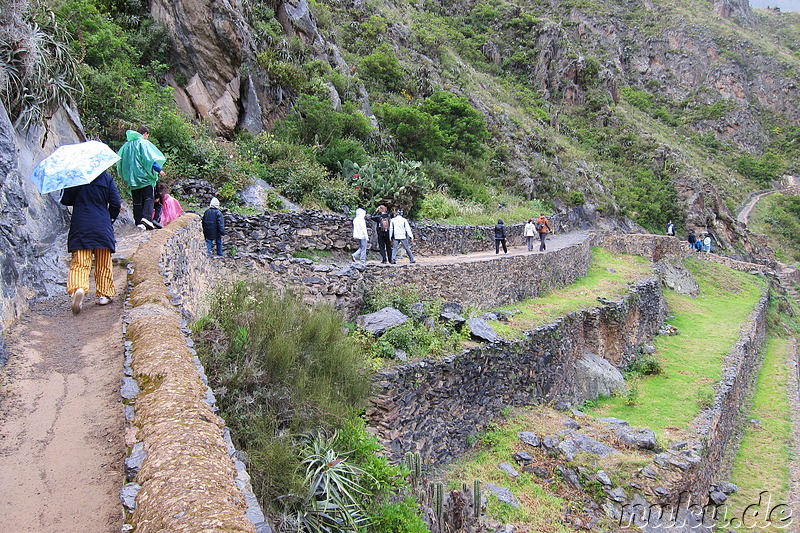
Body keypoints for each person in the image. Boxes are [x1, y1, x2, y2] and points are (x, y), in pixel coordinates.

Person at [60, 171, 121, 314]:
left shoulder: (75, 176)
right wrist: (109, 218)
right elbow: (115, 203)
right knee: (103, 261)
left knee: (80, 262)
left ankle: (78, 288)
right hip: (102, 224)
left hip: (81, 224)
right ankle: (104, 294)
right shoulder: (106, 178)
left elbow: (66, 200)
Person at [117, 126, 166, 230]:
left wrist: (124, 177)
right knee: (149, 198)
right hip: (144, 179)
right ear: (145, 134)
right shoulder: (143, 143)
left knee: (137, 202)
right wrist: (159, 170)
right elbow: (149, 160)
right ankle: (146, 219)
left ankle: (138, 222)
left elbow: (120, 162)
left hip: (132, 180)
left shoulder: (126, 146)